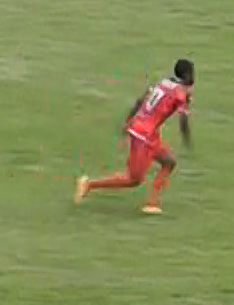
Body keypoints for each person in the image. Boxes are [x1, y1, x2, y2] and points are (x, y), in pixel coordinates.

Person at [74, 60, 195, 215]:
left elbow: (141, 99)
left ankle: (152, 203)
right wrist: (187, 139)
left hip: (148, 132)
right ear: (189, 75)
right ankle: (89, 184)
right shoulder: (181, 94)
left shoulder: (164, 82)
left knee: (169, 162)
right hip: (143, 135)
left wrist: (129, 119)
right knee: (134, 179)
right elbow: (183, 120)